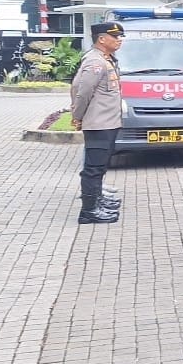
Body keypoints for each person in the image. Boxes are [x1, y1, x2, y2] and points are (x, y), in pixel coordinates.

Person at [69, 21, 126, 225]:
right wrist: (78, 115)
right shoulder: (95, 62)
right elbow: (82, 91)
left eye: (120, 37)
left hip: (107, 122)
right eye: (115, 37)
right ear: (102, 39)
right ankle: (89, 211)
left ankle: (97, 202)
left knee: (99, 166)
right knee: (93, 168)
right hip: (98, 123)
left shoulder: (105, 59)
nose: (119, 40)